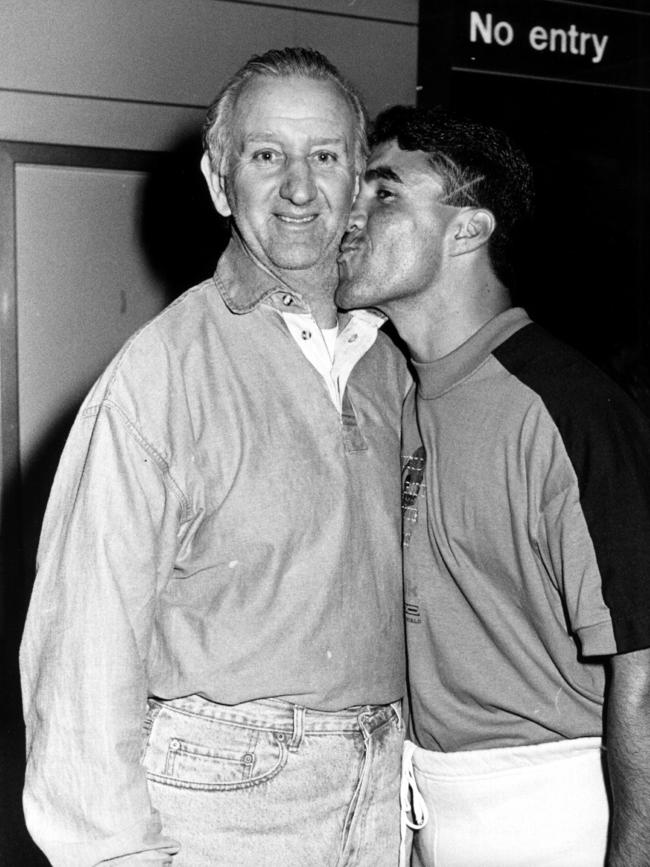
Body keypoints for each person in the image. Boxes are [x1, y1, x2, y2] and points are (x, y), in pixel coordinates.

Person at [20, 48, 409, 867]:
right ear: (218, 181)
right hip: (226, 804)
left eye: (326, 157)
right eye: (267, 156)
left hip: (384, 794)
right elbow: (83, 650)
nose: (300, 188)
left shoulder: (394, 360)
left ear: (358, 182)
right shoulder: (161, 373)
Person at [336, 105, 650, 867]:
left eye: (383, 195)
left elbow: (643, 673)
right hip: (427, 802)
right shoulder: (392, 392)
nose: (351, 219)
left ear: (467, 231)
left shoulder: (568, 407)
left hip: (558, 810)